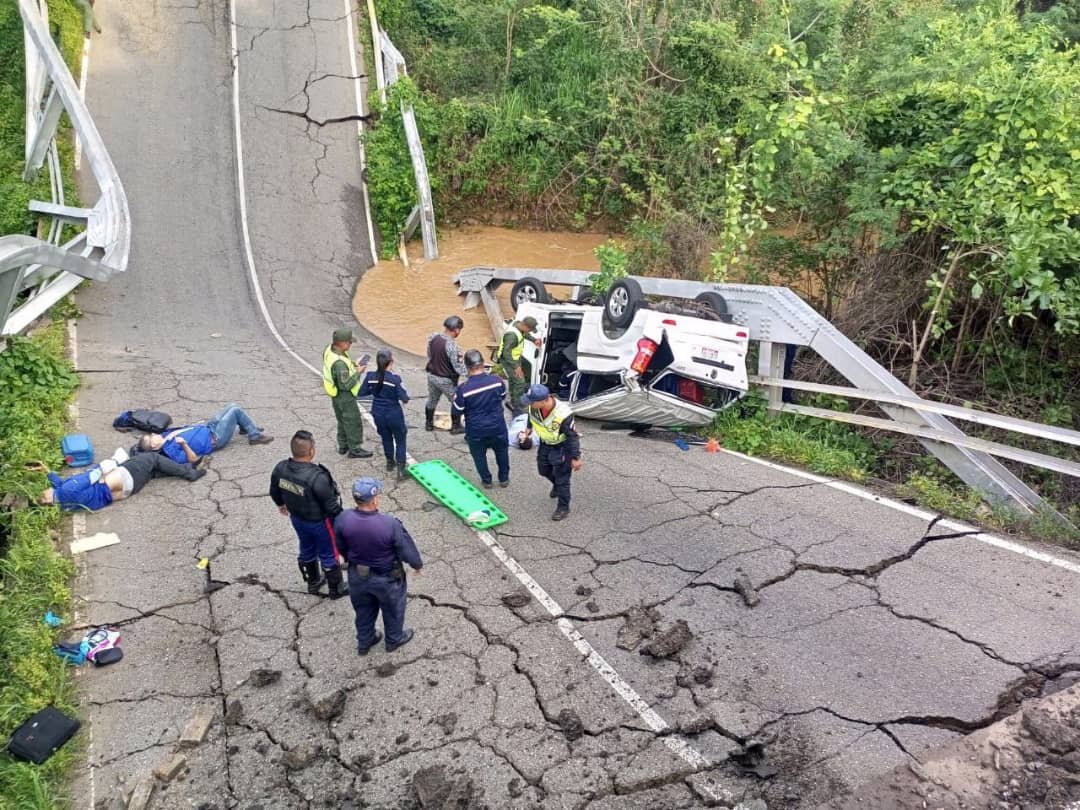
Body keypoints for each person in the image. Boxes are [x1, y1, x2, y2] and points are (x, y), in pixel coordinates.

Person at [334, 477, 423, 655]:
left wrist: (349, 559)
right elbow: (405, 547)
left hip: (357, 576)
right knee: (393, 609)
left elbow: (340, 545)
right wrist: (417, 565)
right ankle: (393, 639)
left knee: (363, 610)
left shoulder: (343, 518)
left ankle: (365, 641)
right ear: (374, 499)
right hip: (387, 579)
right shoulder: (390, 523)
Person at [269, 430, 346, 598]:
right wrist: (345, 521)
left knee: (306, 548)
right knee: (328, 552)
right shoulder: (317, 477)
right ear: (311, 451)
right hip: (320, 523)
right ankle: (336, 589)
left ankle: (313, 582)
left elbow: (274, 490)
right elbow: (331, 506)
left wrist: (281, 504)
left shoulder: (280, 468)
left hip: (297, 518)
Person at [40, 451, 205, 511]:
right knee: (151, 458)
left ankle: (186, 466)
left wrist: (47, 471)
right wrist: (115, 460)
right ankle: (188, 472)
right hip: (121, 478)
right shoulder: (67, 490)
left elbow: (60, 486)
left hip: (127, 489)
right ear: (46, 498)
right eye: (43, 493)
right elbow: (94, 474)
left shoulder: (63, 503)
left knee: (151, 471)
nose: (45, 489)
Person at [520, 384, 582, 521]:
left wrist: (576, 457)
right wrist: (529, 428)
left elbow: (572, 437)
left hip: (561, 447)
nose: (529, 403)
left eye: (531, 401)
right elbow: (531, 416)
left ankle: (563, 507)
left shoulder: (563, 414)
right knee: (543, 470)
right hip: (545, 443)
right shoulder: (534, 406)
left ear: (544, 400)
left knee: (562, 479)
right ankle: (556, 485)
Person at [136, 403, 273, 462]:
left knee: (233, 405)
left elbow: (185, 430)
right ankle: (254, 436)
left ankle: (246, 426)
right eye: (151, 438)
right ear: (154, 446)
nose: (153, 434)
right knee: (235, 412)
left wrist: (195, 425)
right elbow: (193, 459)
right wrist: (184, 445)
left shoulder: (165, 435)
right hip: (215, 438)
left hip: (207, 427)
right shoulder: (171, 451)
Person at [452, 349, 510, 489]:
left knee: (479, 456)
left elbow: (456, 411)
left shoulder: (463, 389)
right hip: (498, 426)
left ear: (467, 367)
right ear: (483, 364)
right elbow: (502, 396)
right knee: (502, 452)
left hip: (476, 430)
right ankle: (504, 479)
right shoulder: (497, 381)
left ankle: (487, 480)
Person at [322, 327, 373, 459]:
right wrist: (358, 372)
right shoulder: (339, 364)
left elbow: (342, 366)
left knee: (342, 420)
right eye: (349, 342)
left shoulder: (329, 350)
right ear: (342, 343)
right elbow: (345, 385)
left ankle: (343, 446)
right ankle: (355, 449)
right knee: (352, 421)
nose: (351, 344)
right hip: (345, 397)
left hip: (335, 394)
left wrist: (353, 364)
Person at [358, 350, 410, 479]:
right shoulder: (395, 379)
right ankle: (401, 470)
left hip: (378, 412)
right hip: (393, 413)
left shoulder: (370, 376)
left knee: (386, 438)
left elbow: (362, 393)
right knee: (400, 440)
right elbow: (405, 397)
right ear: (391, 362)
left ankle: (389, 463)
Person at [425, 316, 467, 435]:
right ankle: (456, 426)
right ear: (457, 330)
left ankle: (428, 424)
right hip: (446, 380)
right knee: (457, 401)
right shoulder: (453, 346)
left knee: (432, 400)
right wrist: (474, 375)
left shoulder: (433, 337)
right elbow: (459, 367)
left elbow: (429, 354)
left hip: (432, 375)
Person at [496, 316, 541, 416]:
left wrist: (533, 340)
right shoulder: (512, 335)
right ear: (524, 325)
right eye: (529, 329)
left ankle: (513, 401)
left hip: (515, 358)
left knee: (514, 380)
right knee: (520, 382)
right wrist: (516, 366)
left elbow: (524, 334)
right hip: (509, 361)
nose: (529, 331)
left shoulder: (518, 325)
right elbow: (506, 353)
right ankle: (517, 406)